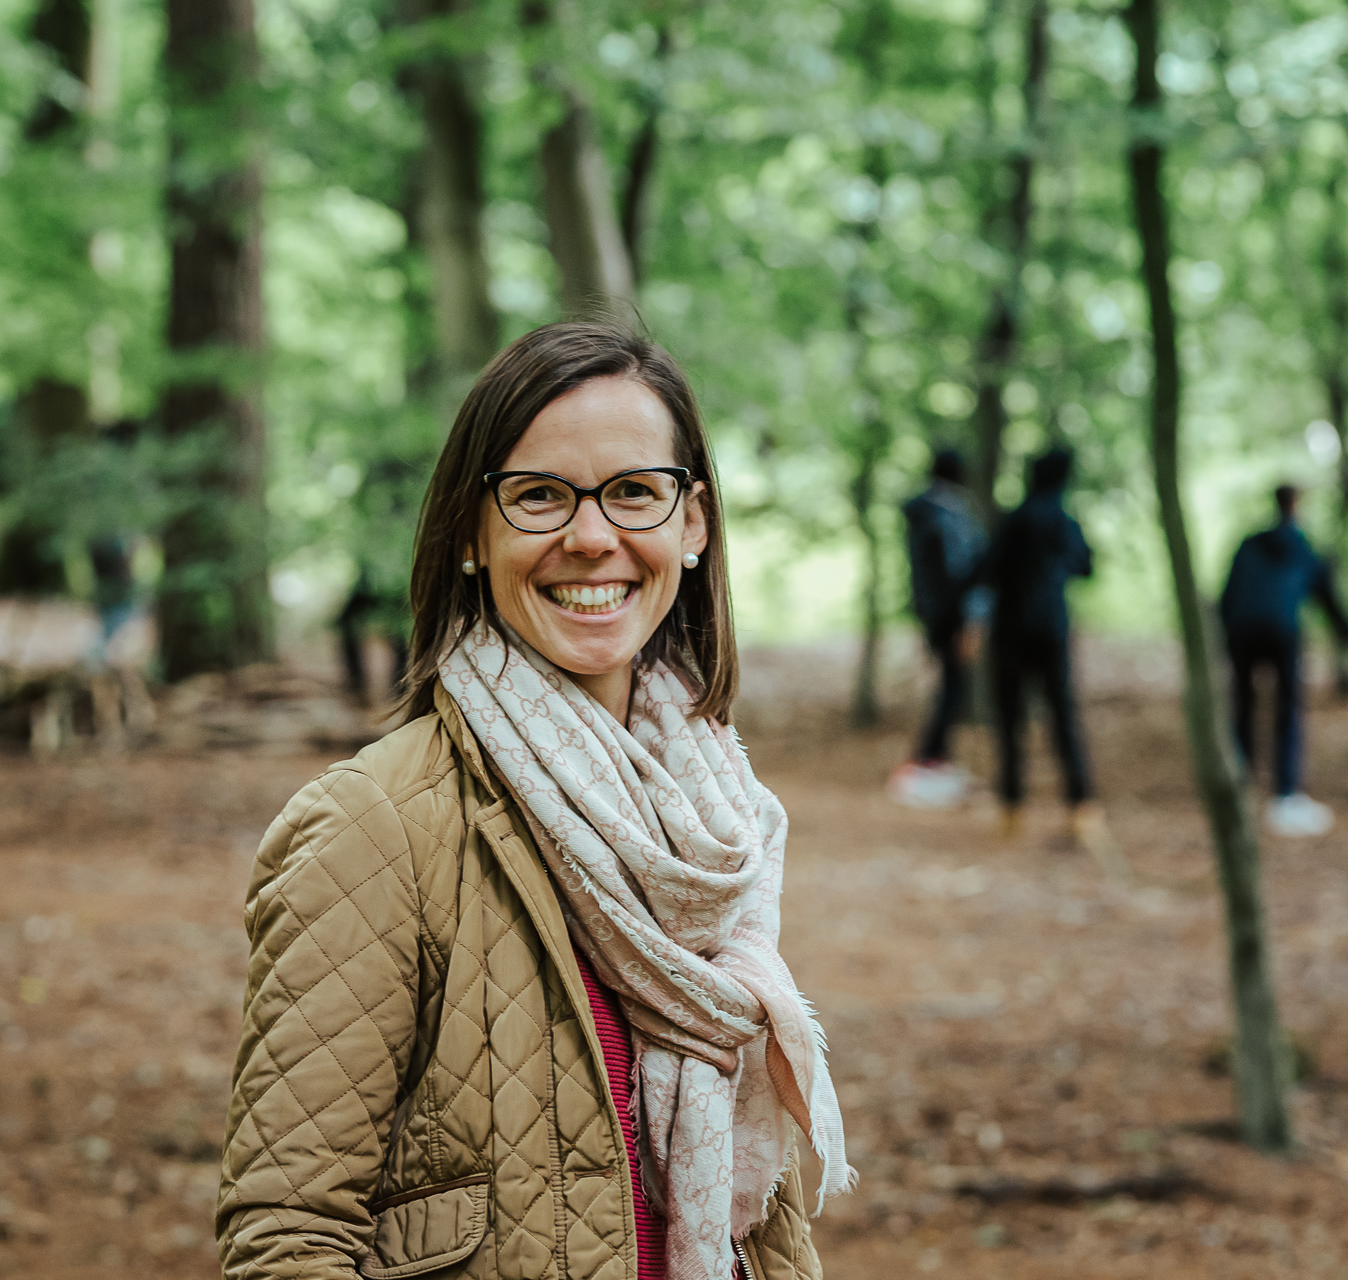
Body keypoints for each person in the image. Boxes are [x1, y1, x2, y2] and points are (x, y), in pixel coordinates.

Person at [218, 323, 847, 1280]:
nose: (591, 538)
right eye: (541, 495)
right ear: (474, 531)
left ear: (692, 524)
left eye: (634, 491)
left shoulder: (713, 823)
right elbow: (288, 1240)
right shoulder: (374, 828)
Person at [987, 447, 1103, 845]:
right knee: (1063, 717)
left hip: (1011, 632)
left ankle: (1011, 807)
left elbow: (989, 569)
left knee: (1010, 720)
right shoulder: (1064, 521)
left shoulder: (1015, 520)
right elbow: (1086, 566)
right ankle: (1080, 807)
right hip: (1052, 629)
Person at [1219, 484, 1348, 837]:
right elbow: (1327, 600)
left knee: (1243, 704)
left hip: (1242, 631)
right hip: (1282, 631)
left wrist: (1225, 634)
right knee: (1287, 709)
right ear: (1297, 505)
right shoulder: (1304, 548)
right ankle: (1285, 795)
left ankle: (1239, 781)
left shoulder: (1249, 544)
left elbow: (1227, 593)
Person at [889, 448, 990, 808]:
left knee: (950, 685)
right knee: (953, 687)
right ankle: (930, 758)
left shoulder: (922, 512)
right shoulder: (951, 515)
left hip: (931, 614)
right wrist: (971, 619)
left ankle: (935, 758)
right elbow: (963, 570)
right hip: (952, 616)